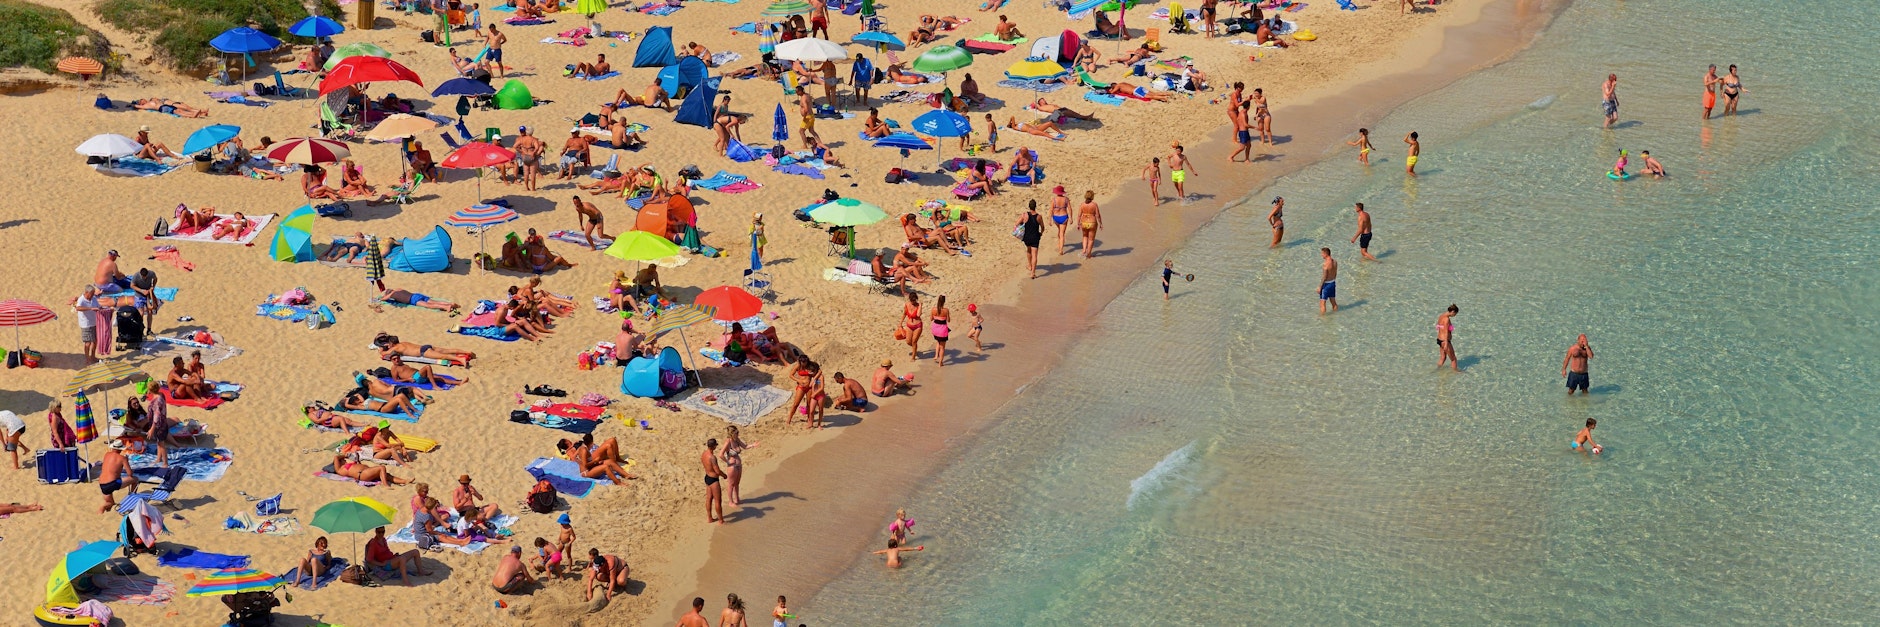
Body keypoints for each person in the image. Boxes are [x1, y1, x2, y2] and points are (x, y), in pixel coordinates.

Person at [373, 333, 476, 367]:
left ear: (391, 344)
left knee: (443, 356)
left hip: (423, 352)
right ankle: (466, 352)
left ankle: (461, 360)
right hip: (425, 346)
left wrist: (381, 348)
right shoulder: (403, 343)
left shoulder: (396, 348)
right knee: (446, 350)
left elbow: (383, 353)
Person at [722, 425, 756, 505]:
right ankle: (730, 502)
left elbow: (745, 446)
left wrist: (753, 445)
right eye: (736, 433)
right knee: (731, 484)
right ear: (731, 433)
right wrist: (728, 462)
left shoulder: (736, 440)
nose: (738, 434)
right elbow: (721, 454)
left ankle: (737, 499)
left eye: (738, 432)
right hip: (732, 466)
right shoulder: (728, 442)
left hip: (738, 465)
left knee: (737, 483)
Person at [97, 439, 129, 514]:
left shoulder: (107, 454)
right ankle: (132, 497)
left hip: (102, 484)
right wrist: (126, 461)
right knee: (135, 479)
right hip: (112, 483)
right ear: (121, 449)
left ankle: (100, 512)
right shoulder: (122, 458)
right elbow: (130, 473)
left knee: (110, 503)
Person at [1016, 199, 1043, 278]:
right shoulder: (1039, 216)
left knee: (1028, 250)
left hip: (1027, 237)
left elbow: (1017, 223)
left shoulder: (1025, 215)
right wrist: (1041, 233)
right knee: (1034, 255)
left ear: (1029, 206)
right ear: (1035, 206)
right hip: (1035, 237)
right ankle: (1033, 273)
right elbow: (1042, 227)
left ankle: (1030, 265)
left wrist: (1022, 224)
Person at [74, 285, 101, 363]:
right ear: (86, 292)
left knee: (95, 341)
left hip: (94, 322)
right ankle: (87, 359)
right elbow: (78, 308)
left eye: (93, 294)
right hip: (86, 324)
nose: (92, 295)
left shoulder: (94, 298)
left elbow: (98, 307)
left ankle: (93, 356)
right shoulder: (81, 299)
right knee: (88, 343)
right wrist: (91, 308)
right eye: (91, 294)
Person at [376, 287, 458, 314]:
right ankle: (449, 304)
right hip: (416, 294)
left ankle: (447, 307)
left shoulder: (392, 294)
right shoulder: (398, 289)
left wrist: (380, 298)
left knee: (429, 306)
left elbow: (384, 299)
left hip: (412, 299)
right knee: (433, 301)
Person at [702, 439, 727, 524]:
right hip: (713, 480)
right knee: (717, 500)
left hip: (707, 477)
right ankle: (721, 520)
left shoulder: (704, 454)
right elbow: (717, 471)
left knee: (709, 498)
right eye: (716, 445)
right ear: (713, 446)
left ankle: (709, 518)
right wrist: (724, 475)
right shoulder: (712, 457)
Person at [513, 126, 545, 191]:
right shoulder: (533, 139)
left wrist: (521, 152)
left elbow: (515, 146)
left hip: (525, 157)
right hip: (531, 157)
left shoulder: (522, 139)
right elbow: (536, 147)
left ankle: (527, 187)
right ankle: (533, 188)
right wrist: (533, 152)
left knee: (526, 174)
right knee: (532, 174)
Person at [1077, 190, 1103, 258]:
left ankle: (1084, 251)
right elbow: (1098, 215)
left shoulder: (1082, 204)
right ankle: (1089, 254)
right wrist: (1100, 223)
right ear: (1092, 196)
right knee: (1091, 239)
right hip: (1092, 222)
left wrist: (1078, 224)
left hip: (1084, 222)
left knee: (1085, 236)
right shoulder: (1094, 205)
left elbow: (1079, 215)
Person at [930, 295, 953, 366]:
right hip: (942, 330)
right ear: (944, 302)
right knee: (942, 347)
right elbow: (948, 320)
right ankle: (940, 363)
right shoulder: (946, 310)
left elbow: (931, 319)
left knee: (938, 341)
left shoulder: (933, 309)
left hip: (935, 329)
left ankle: (936, 355)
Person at [1436, 304, 1459, 371]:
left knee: (1443, 357)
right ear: (1452, 311)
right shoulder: (1446, 319)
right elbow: (1446, 331)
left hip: (1440, 340)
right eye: (1455, 314)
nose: (1454, 315)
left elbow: (1439, 328)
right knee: (1453, 359)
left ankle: (1437, 370)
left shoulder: (1441, 316)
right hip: (1445, 341)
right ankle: (1455, 372)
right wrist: (1446, 343)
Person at [1050, 185, 1072, 255]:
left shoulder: (1054, 200)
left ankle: (1059, 244)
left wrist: (1049, 219)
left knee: (1059, 230)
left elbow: (1051, 210)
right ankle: (1061, 250)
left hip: (1056, 217)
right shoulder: (1066, 199)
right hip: (1064, 217)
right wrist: (1071, 218)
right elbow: (1070, 209)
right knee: (1062, 233)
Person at [132, 98, 208, 118]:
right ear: (141, 103)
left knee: (179, 110)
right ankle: (193, 115)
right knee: (178, 112)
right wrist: (131, 104)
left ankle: (194, 114)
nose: (143, 99)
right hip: (163, 108)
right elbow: (136, 106)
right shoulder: (145, 106)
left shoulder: (150, 101)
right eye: (141, 100)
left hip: (165, 106)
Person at [1318, 247, 1339, 314]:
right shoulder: (1335, 262)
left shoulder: (1325, 264)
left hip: (1326, 285)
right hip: (1332, 283)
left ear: (1325, 254)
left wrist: (1320, 287)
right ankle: (1336, 314)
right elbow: (1335, 273)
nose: (1321, 255)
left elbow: (1324, 277)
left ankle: (1323, 319)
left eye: (1322, 253)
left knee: (1322, 303)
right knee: (1333, 302)